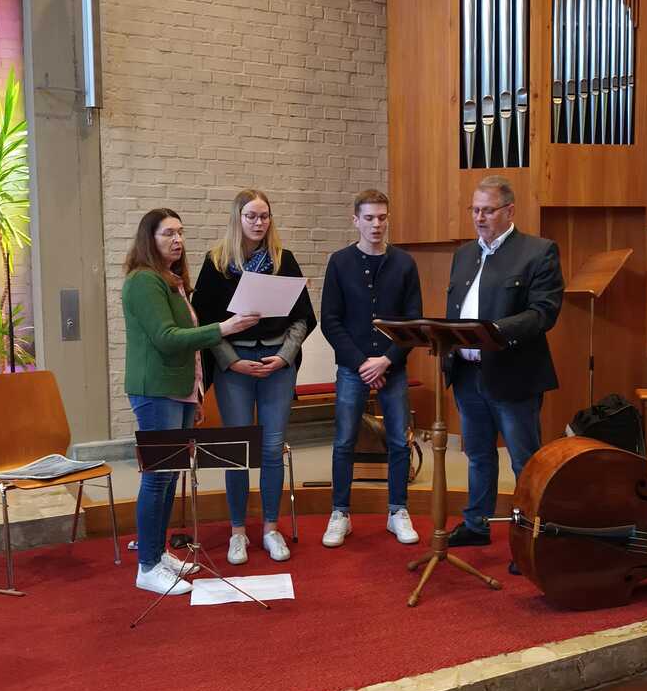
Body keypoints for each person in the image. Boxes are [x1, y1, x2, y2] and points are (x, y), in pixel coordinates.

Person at [123, 208, 260, 596]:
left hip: (178, 390)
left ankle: (158, 553)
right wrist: (224, 328)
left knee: (170, 477)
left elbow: (188, 346)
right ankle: (147, 567)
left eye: (180, 232)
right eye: (168, 233)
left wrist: (195, 394)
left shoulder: (170, 280)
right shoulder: (143, 281)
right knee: (158, 477)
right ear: (149, 239)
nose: (177, 240)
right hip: (156, 391)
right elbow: (167, 338)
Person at [192, 189, 316, 565]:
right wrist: (231, 361)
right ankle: (237, 532)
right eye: (251, 216)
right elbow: (205, 323)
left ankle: (271, 529)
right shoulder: (216, 263)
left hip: (277, 363)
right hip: (235, 365)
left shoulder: (283, 259)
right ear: (238, 218)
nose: (259, 223)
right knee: (237, 450)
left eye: (264, 216)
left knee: (272, 448)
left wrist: (285, 356)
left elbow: (302, 317)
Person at [444, 175, 564, 551]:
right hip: (467, 374)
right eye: (475, 210)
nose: (479, 217)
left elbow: (544, 312)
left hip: (513, 374)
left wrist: (494, 332)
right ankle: (476, 524)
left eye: (488, 210)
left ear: (510, 211)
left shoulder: (538, 251)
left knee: (524, 461)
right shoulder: (464, 254)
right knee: (478, 456)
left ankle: (530, 538)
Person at [320, 188, 423, 547]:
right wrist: (363, 363)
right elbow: (330, 321)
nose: (376, 224)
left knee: (398, 441)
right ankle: (340, 513)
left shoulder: (405, 263)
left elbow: (414, 322)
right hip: (353, 367)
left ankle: (397, 511)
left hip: (392, 365)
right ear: (356, 220)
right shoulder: (339, 262)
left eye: (382, 217)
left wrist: (387, 360)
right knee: (344, 441)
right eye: (369, 218)